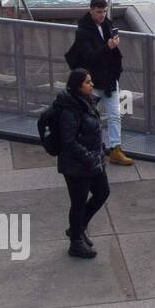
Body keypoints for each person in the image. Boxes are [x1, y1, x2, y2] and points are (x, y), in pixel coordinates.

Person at [64, 0, 133, 166]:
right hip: (93, 82)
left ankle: (115, 148)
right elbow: (89, 57)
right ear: (91, 11)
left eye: (103, 11)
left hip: (109, 79)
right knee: (89, 117)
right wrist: (108, 47)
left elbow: (106, 54)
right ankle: (91, 148)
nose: (102, 15)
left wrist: (113, 45)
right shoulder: (83, 32)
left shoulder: (107, 25)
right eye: (98, 12)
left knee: (115, 115)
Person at [54, 68, 110, 259]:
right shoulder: (70, 109)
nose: (92, 84)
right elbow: (68, 141)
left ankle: (77, 228)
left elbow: (93, 131)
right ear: (78, 86)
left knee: (103, 192)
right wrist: (89, 156)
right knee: (77, 203)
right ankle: (76, 243)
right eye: (87, 82)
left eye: (91, 81)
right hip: (76, 166)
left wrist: (100, 151)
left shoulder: (88, 102)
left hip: (93, 160)